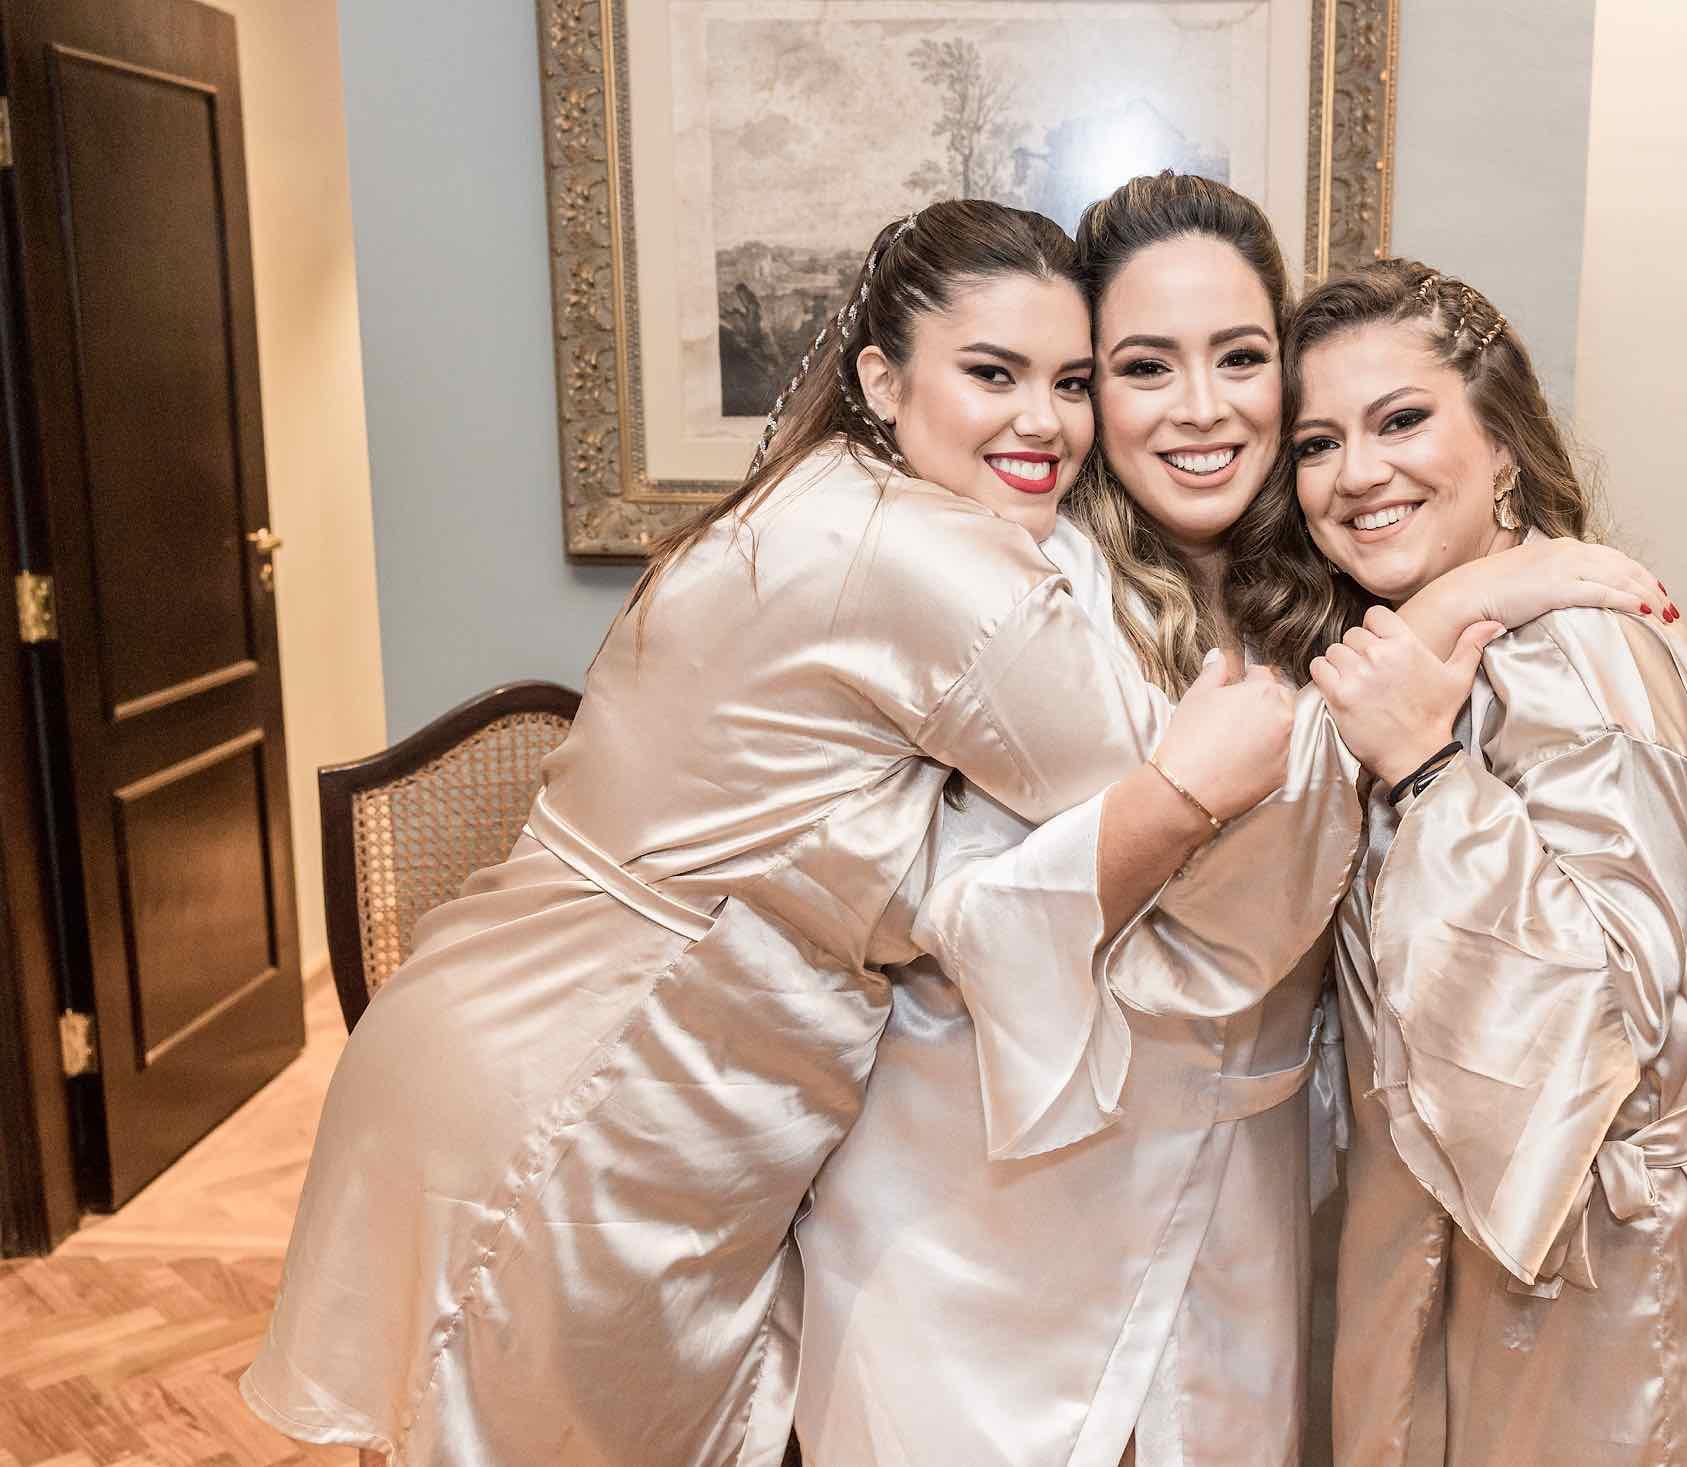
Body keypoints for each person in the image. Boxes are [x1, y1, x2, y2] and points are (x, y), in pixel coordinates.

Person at [238, 200, 1304, 1467]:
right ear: (881, 379)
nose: (1044, 421)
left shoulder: (823, 491)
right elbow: (1186, 785)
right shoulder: (935, 565)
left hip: (512, 1026)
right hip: (607, 1080)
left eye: (1070, 382)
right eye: (993, 374)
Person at [791, 176, 1673, 1466]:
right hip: (984, 1212)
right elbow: (1028, 919)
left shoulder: (1337, 587)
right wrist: (1457, 605)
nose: (1201, 408)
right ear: (1091, 392)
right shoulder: (1023, 588)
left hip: (1242, 1199)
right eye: (1144, 366)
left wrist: (1460, 589)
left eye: (1241, 358)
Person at [1283, 259, 1687, 1467]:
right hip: (1470, 1236)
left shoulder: (1575, 658)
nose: (1356, 473)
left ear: (1503, 444)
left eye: (1400, 421)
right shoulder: (1439, 640)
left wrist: (1426, 774)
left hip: (1597, 1275)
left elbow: (1599, 1017)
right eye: (1318, 443)